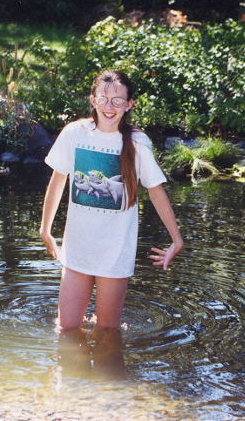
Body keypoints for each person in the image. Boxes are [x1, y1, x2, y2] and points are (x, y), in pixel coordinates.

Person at [39, 69, 183, 332]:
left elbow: (156, 190)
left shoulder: (138, 142)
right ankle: (69, 374)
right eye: (103, 98)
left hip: (115, 253)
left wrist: (177, 239)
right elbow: (58, 180)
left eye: (118, 100)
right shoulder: (75, 133)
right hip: (78, 249)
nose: (109, 106)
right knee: (66, 329)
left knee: (107, 333)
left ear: (129, 105)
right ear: (92, 100)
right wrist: (45, 229)